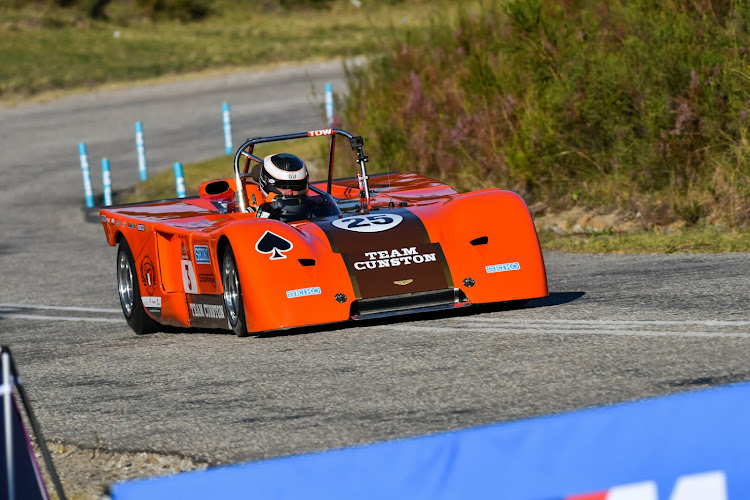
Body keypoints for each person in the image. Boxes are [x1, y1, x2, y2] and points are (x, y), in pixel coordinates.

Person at [255, 153, 327, 222]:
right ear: (268, 185)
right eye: (283, 187)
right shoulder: (253, 215)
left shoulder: (317, 210)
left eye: (296, 187)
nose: (290, 192)